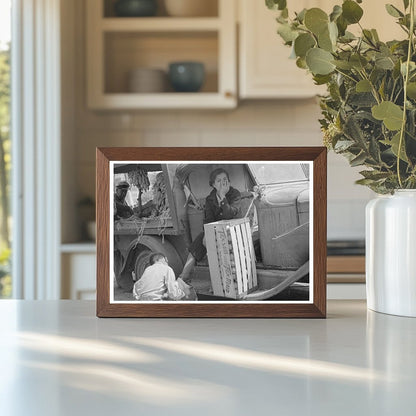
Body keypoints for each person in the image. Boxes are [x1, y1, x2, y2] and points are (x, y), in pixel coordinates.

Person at [179, 168, 241, 282]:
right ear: (213, 185)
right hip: (215, 229)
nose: (223, 183)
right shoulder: (210, 199)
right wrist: (206, 234)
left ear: (229, 181)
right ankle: (183, 277)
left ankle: (224, 281)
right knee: (198, 244)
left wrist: (223, 197)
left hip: (232, 229)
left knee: (219, 247)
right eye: (219, 181)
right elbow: (208, 220)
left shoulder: (234, 194)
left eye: (225, 179)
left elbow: (229, 214)